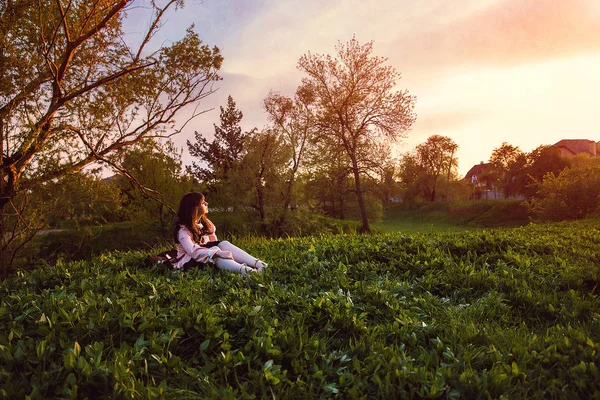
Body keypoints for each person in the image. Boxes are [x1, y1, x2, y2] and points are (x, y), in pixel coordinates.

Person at [173, 192, 268, 275]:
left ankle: (258, 264)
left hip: (206, 254)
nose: (207, 204)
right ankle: (246, 271)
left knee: (223, 244)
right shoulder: (183, 231)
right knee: (215, 249)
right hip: (190, 261)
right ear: (194, 208)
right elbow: (193, 251)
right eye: (203, 203)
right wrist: (217, 253)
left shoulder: (203, 222)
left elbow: (212, 241)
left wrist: (219, 250)